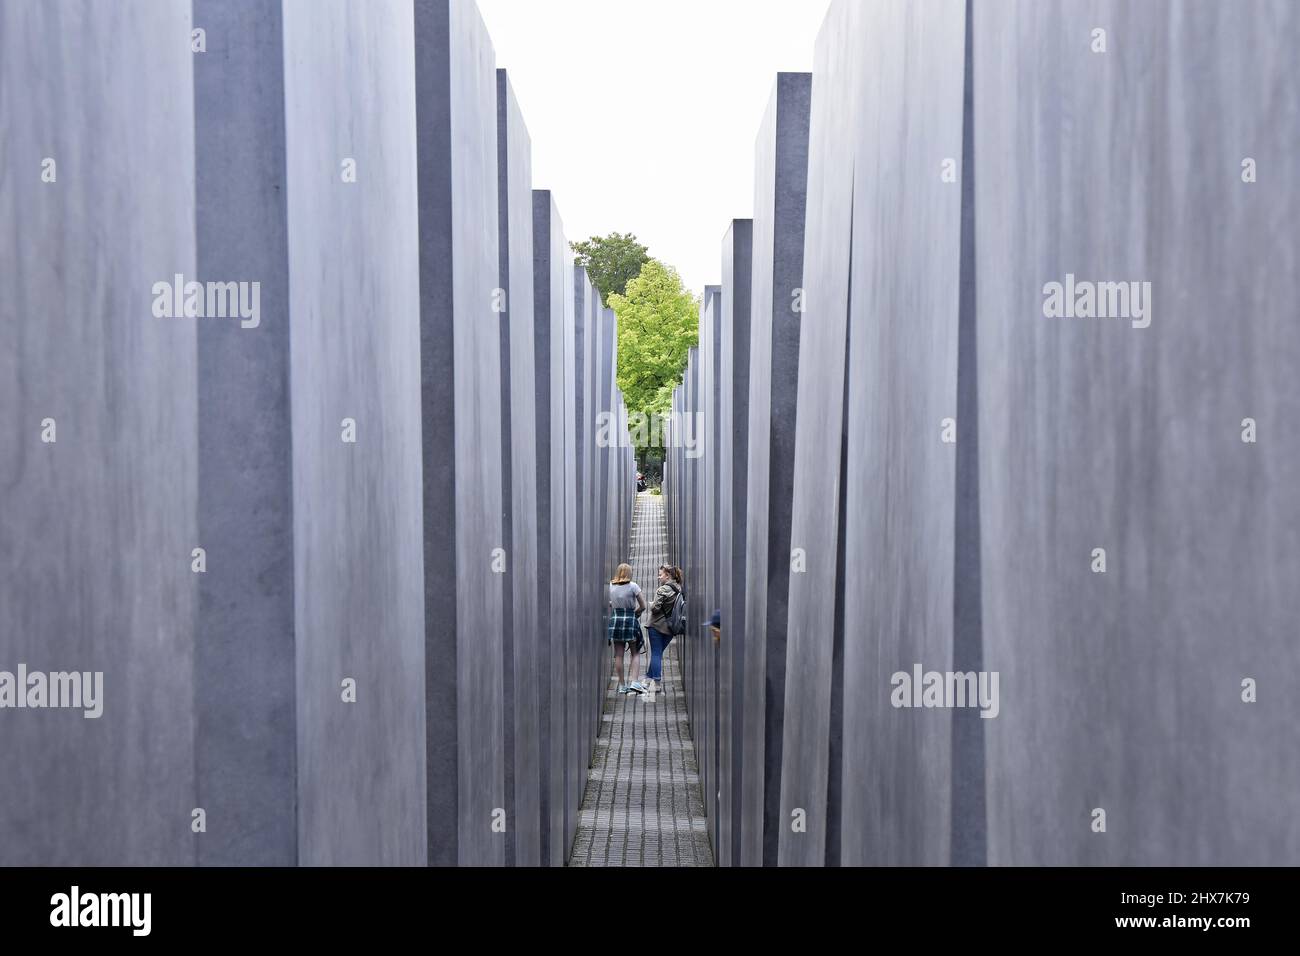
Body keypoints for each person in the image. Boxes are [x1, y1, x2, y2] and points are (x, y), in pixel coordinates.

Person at [643, 564, 683, 696]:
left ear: (667, 575)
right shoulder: (678, 588)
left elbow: (655, 608)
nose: (658, 577)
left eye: (660, 574)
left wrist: (651, 604)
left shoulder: (662, 590)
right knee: (658, 653)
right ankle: (648, 679)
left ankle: (657, 682)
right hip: (670, 628)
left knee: (656, 654)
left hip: (657, 626)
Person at [608, 563, 647, 695]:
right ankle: (634, 682)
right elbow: (643, 605)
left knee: (618, 654)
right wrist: (636, 613)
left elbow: (611, 603)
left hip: (616, 620)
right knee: (635, 652)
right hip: (630, 620)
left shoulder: (611, 585)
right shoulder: (633, 586)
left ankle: (622, 685)